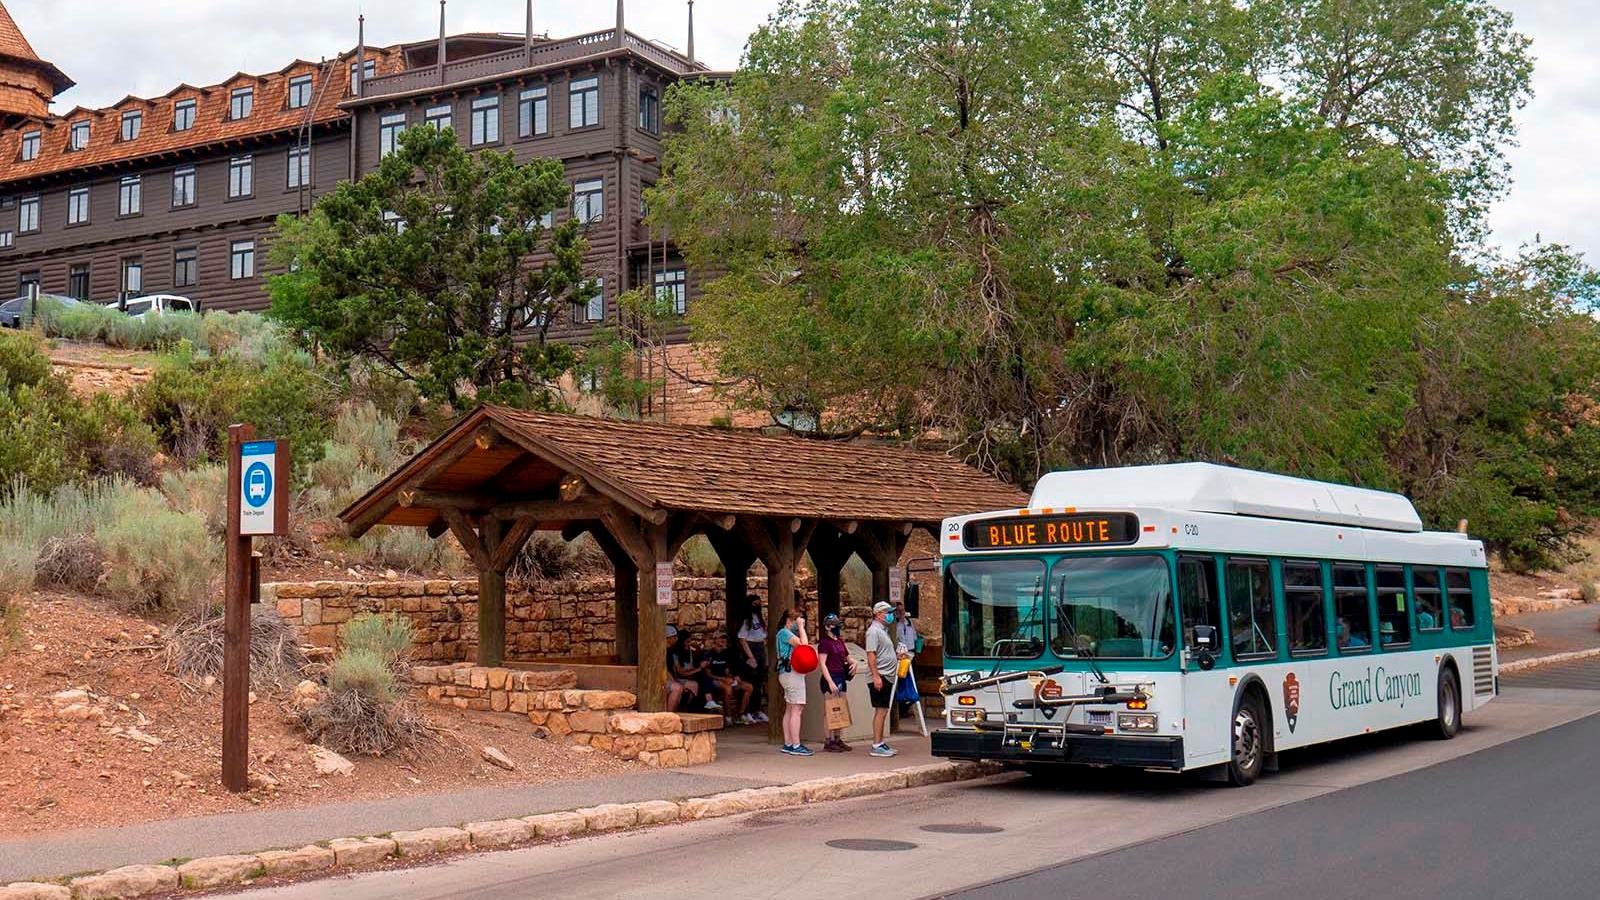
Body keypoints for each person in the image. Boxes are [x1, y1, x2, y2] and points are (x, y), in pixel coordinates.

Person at [774, 608, 812, 756]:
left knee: (790, 708)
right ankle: (796, 745)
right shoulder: (785, 633)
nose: (799, 622)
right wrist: (802, 628)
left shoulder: (783, 634)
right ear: (790, 620)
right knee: (797, 708)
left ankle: (788, 743)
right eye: (797, 620)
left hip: (787, 673)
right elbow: (804, 647)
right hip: (792, 674)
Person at [865, 601, 900, 757]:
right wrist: (876, 675)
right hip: (881, 675)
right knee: (880, 710)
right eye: (887, 612)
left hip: (887, 675)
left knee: (884, 710)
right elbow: (871, 654)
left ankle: (880, 742)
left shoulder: (882, 631)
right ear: (878, 614)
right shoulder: (873, 631)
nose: (890, 615)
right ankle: (876, 744)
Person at [817, 613, 854, 752]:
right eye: (834, 625)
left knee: (841, 709)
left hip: (841, 677)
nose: (837, 627)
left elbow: (848, 657)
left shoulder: (839, 641)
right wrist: (830, 682)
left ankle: (838, 738)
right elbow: (823, 664)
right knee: (830, 710)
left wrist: (854, 664)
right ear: (827, 627)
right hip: (831, 677)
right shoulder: (825, 643)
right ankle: (829, 740)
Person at [705, 632, 754, 724]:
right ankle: (728, 716)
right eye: (720, 638)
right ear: (714, 639)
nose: (723, 640)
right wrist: (723, 679)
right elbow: (708, 674)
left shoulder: (726, 653)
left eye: (724, 638)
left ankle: (741, 714)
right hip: (714, 680)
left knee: (749, 687)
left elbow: (727, 671)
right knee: (728, 688)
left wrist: (733, 677)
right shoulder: (709, 654)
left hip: (726, 679)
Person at [736, 594, 770, 723]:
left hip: (760, 647)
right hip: (751, 648)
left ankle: (757, 710)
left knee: (758, 681)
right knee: (749, 680)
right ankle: (746, 711)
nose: (758, 606)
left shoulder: (760, 618)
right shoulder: (746, 620)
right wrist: (751, 657)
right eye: (755, 604)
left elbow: (763, 635)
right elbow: (742, 639)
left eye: (759, 604)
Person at [664, 625, 699, 712]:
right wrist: (675, 681)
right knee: (677, 687)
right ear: (668, 638)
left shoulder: (671, 650)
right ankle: (669, 716)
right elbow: (664, 670)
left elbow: (674, 669)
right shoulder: (660, 650)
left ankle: (684, 710)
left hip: (673, 678)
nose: (676, 639)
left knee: (693, 685)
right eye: (674, 637)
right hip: (663, 680)